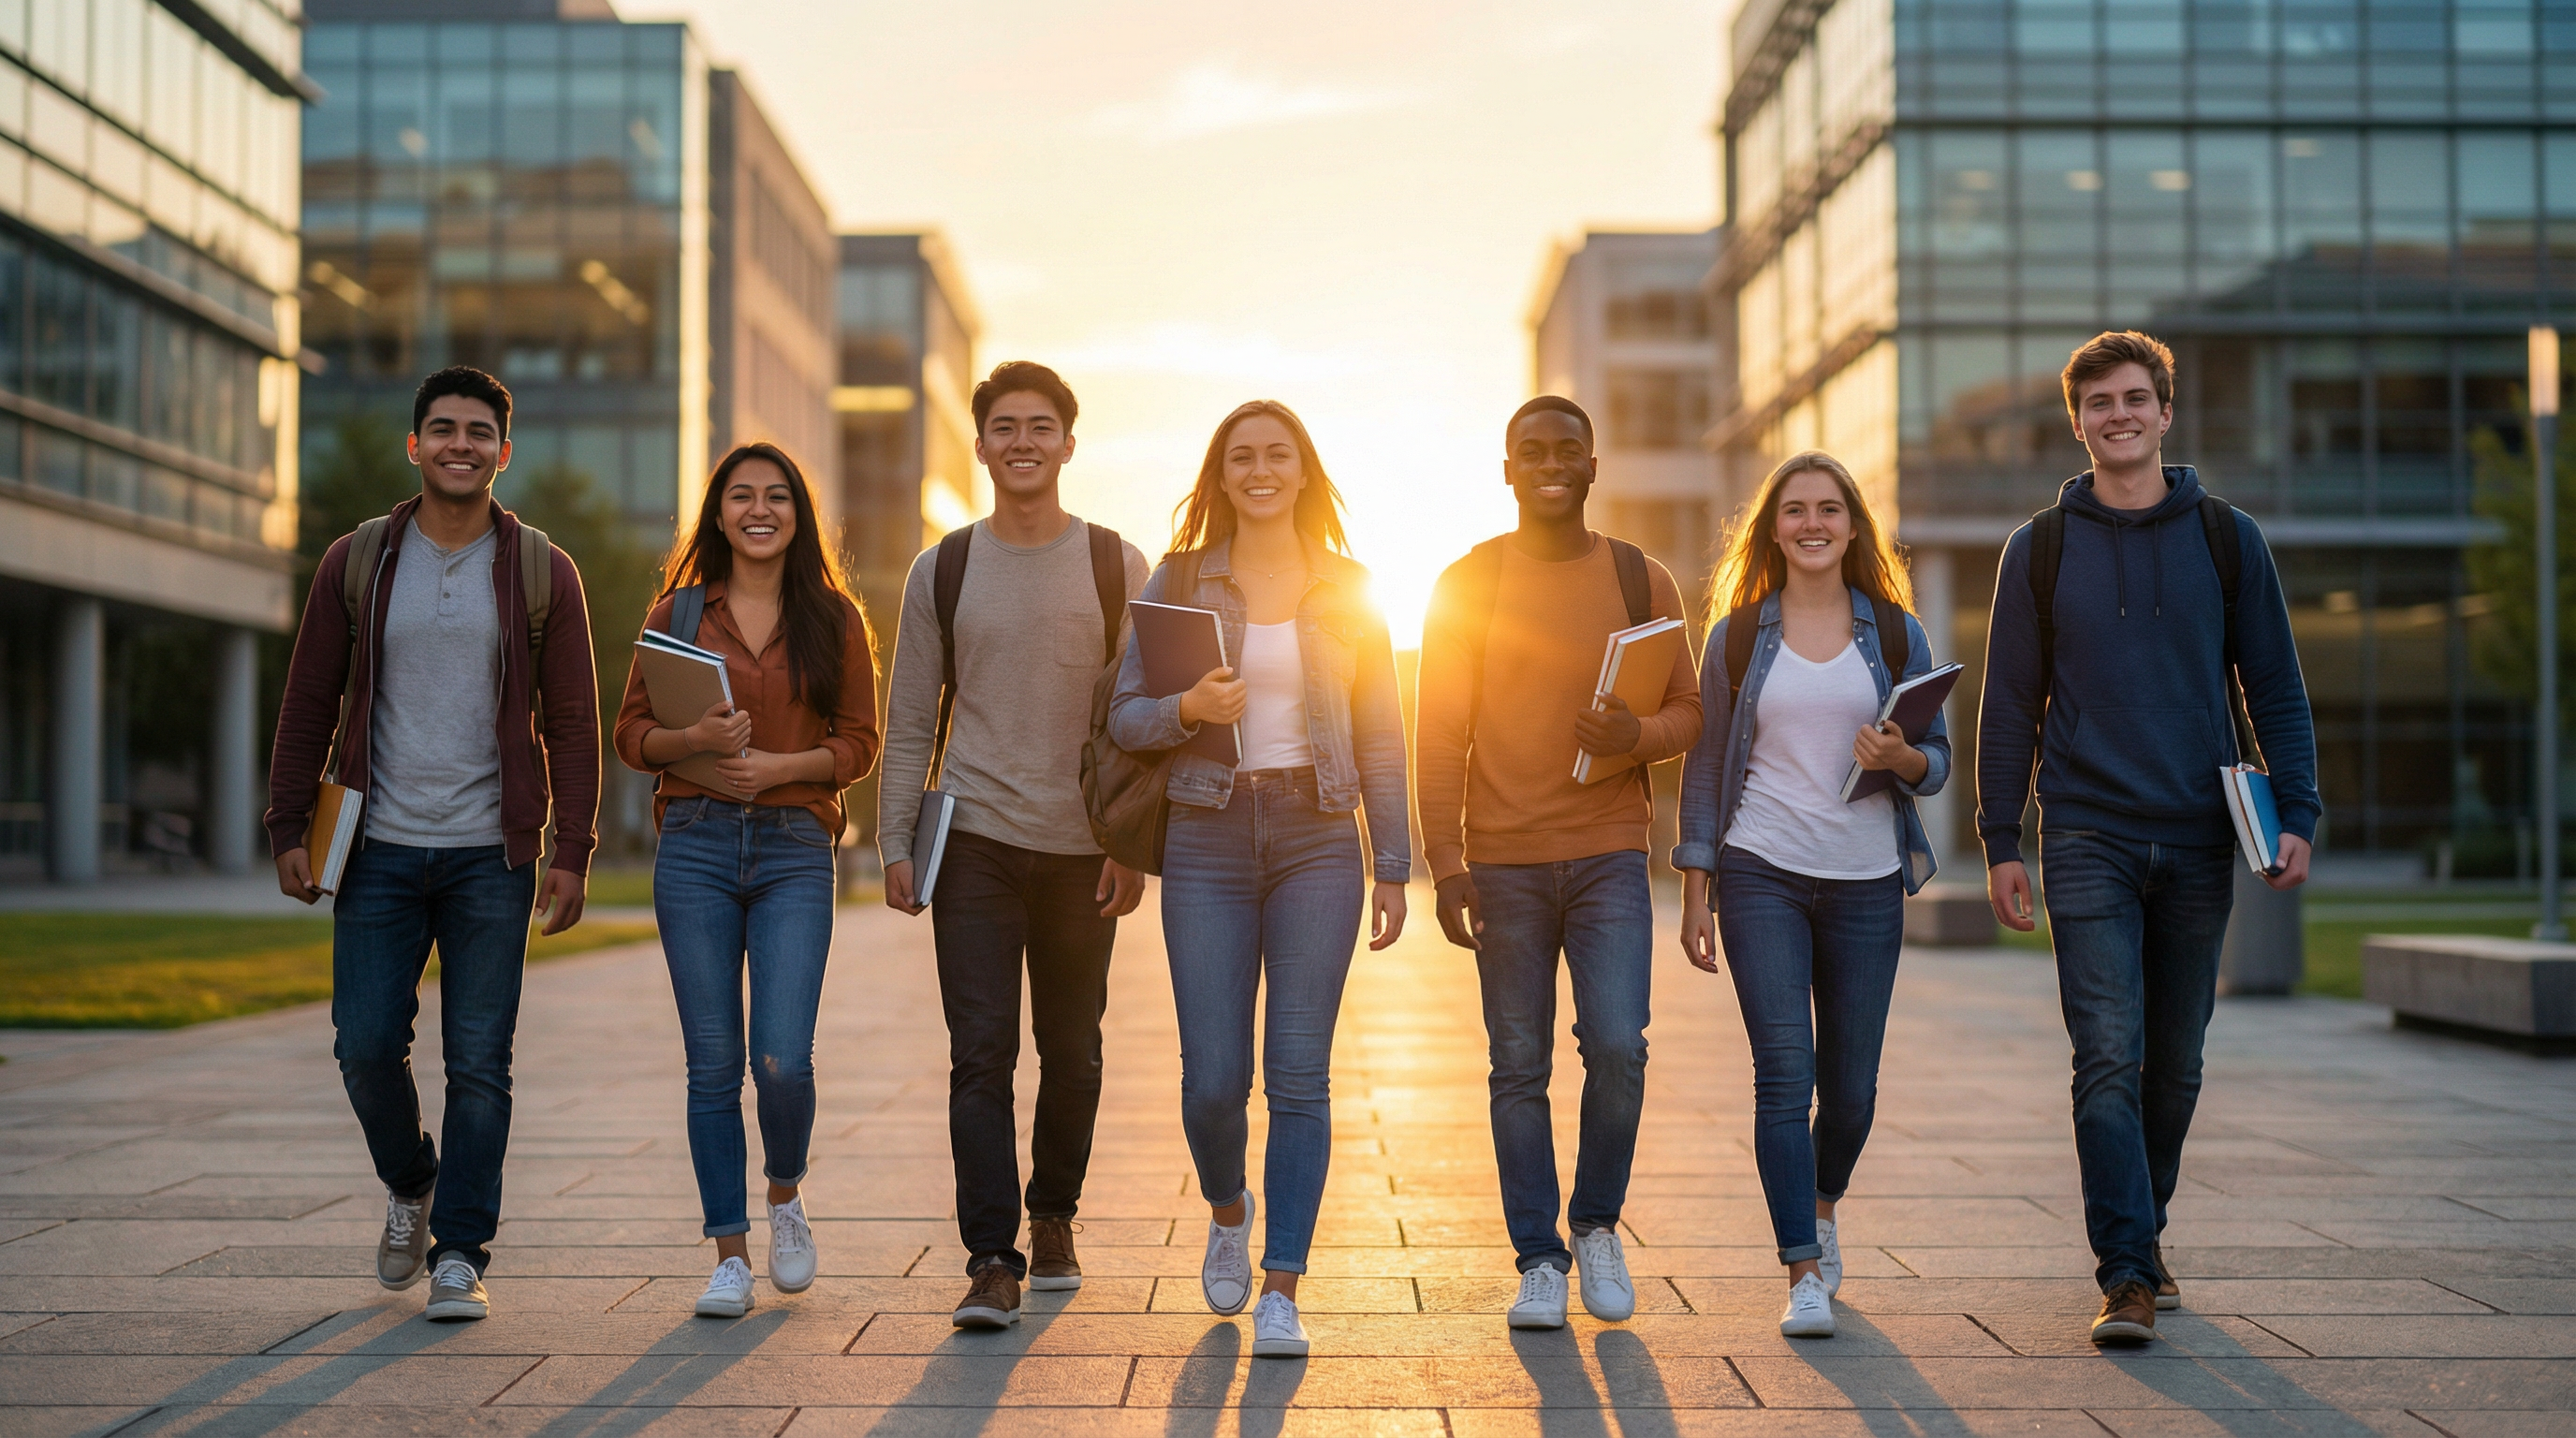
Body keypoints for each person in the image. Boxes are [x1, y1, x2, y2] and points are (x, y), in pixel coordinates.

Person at [1977, 330, 2318, 1347]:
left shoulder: (2226, 537)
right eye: (2097, 403)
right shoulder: (2038, 548)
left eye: (2134, 398)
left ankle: (2145, 1230)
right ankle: (2124, 1271)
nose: (2116, 415)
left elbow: (2277, 688)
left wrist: (2295, 811)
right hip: (2085, 832)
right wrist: (2002, 837)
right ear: (2075, 421)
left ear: (2165, 412)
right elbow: (2007, 706)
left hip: (2199, 838)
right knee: (2107, 1054)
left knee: (2174, 1063)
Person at [266, 365, 598, 1323]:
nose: (461, 443)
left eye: (479, 430)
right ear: (415, 445)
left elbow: (572, 722)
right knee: (364, 1044)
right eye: (443, 428)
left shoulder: (543, 569)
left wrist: (569, 850)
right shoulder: (359, 560)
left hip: (490, 855)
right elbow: (308, 700)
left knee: (480, 1061)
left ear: (504, 449)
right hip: (376, 848)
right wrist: (289, 825)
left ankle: (460, 1250)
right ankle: (412, 1180)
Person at [1106, 401, 1410, 1358]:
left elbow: (1380, 738)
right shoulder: (1181, 578)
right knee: (1212, 1082)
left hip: (1321, 835)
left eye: (1277, 454)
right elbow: (1122, 716)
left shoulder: (1351, 586)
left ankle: (1282, 1283)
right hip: (1207, 828)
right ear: (1220, 473)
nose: (1260, 469)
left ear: (1305, 470)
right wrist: (1186, 705)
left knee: (1299, 1074)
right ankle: (1228, 1207)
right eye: (1241, 456)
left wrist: (1394, 865)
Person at [1416, 395, 1703, 1331]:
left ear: (1591, 466)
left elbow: (1689, 714)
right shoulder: (1467, 581)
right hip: (1500, 862)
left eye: (1565, 450)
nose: (1548, 462)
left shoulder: (1638, 576)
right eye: (1529, 450)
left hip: (1608, 857)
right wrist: (1445, 858)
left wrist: (1632, 737)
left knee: (1618, 1046)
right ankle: (1537, 1258)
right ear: (1506, 470)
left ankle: (1596, 1226)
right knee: (1518, 1062)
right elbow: (1439, 734)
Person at [876, 361, 1151, 1329]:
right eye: (1005, 427)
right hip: (978, 841)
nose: (1022, 441)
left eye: (1041, 426)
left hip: (1083, 847)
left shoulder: (1119, 565)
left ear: (1069, 445)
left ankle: (1054, 1213)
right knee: (979, 1054)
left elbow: (1143, 722)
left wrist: (1133, 846)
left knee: (1072, 1052)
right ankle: (991, 1258)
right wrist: (895, 841)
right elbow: (911, 716)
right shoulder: (941, 568)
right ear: (982, 443)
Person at [1674, 451, 1949, 1339]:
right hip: (1763, 870)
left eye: (1830, 508)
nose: (1813, 522)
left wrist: (1899, 758)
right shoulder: (1740, 635)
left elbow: (1934, 760)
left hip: (1869, 881)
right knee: (1783, 1076)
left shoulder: (1899, 636)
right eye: (1795, 510)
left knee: (1854, 1092)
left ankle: (1823, 1206)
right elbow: (1708, 762)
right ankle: (1799, 1265)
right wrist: (1696, 885)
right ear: (1774, 529)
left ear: (1855, 526)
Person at [613, 442, 880, 1319]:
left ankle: (785, 1191)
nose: (758, 509)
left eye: (776, 497)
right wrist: (696, 746)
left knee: (782, 1059)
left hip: (794, 849)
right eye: (740, 496)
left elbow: (859, 743)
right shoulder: (679, 611)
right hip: (691, 845)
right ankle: (729, 1253)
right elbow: (633, 735)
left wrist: (775, 769)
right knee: (712, 1065)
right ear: (718, 513)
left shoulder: (836, 619)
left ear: (799, 514)